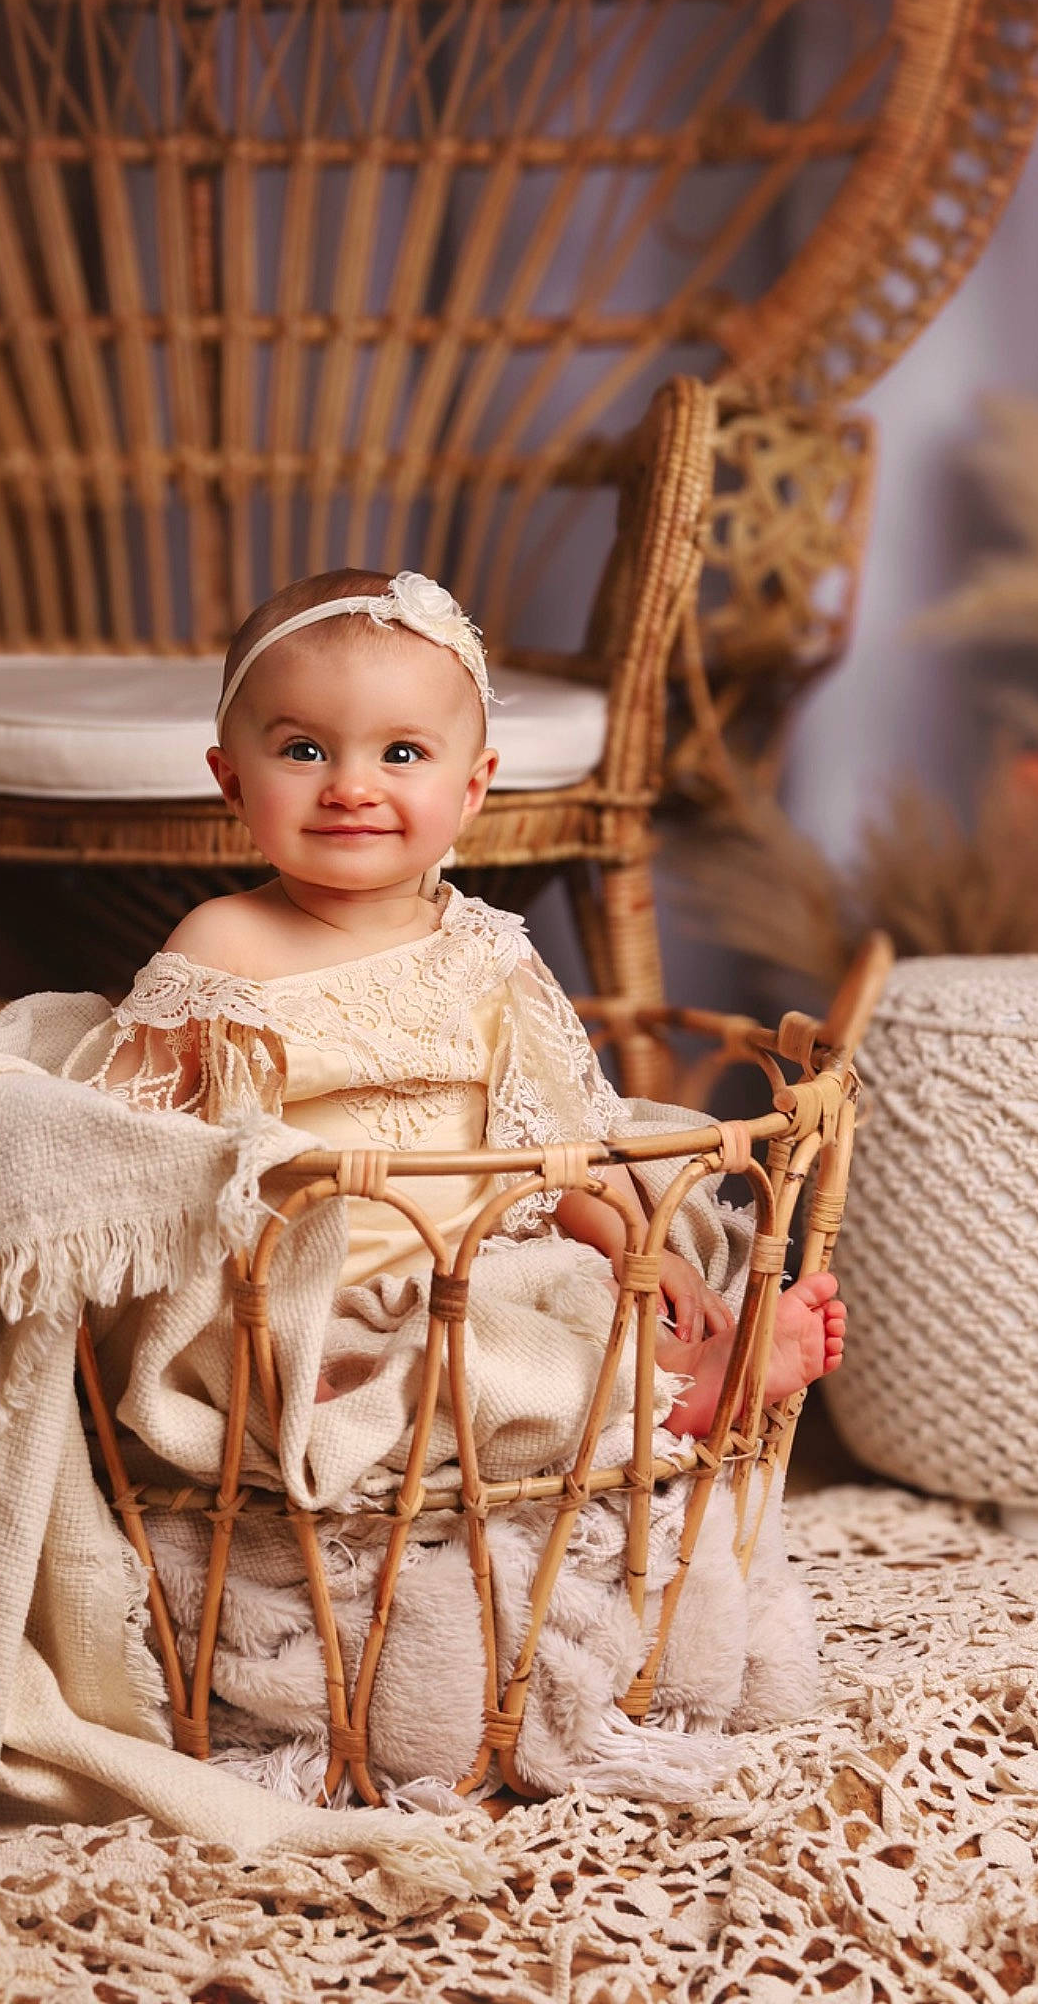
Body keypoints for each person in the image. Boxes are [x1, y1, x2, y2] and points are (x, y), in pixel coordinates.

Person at [91, 567, 844, 1442]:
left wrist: (635, 1249)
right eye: (304, 750)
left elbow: (544, 1146)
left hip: (481, 1270)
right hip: (299, 1296)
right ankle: (633, 1404)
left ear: (474, 787)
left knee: (566, 1319)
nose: (351, 787)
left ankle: (682, 1380)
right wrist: (244, 1310)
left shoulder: (485, 952)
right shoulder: (221, 946)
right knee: (413, 1373)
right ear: (230, 782)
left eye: (401, 753)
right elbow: (136, 1154)